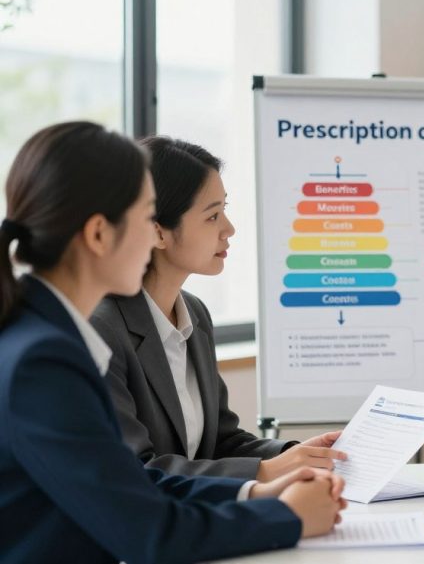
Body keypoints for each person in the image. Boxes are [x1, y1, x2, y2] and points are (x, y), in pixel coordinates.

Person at [0, 122, 346, 563]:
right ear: (100, 234)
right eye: (147, 218)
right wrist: (288, 516)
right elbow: (147, 533)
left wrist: (256, 492)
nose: (153, 237)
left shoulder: (43, 336)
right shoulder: (43, 361)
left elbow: (131, 483)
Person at [90, 136, 345, 480]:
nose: (229, 229)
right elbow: (138, 471)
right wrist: (268, 471)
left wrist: (295, 454)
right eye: (212, 216)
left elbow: (221, 442)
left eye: (224, 209)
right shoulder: (101, 328)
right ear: (157, 233)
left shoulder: (195, 314)